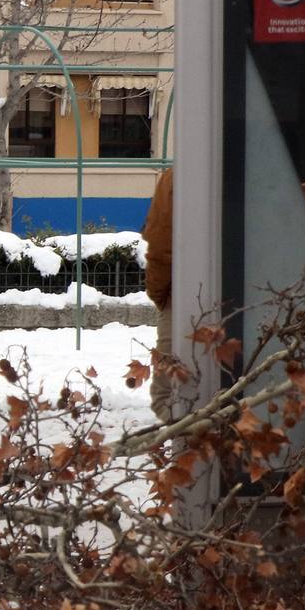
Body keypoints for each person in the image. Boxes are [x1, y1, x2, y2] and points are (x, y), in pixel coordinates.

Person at [141, 167, 173, 423]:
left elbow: (160, 244)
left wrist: (160, 295)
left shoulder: (177, 178)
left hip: (183, 296)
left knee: (169, 396)